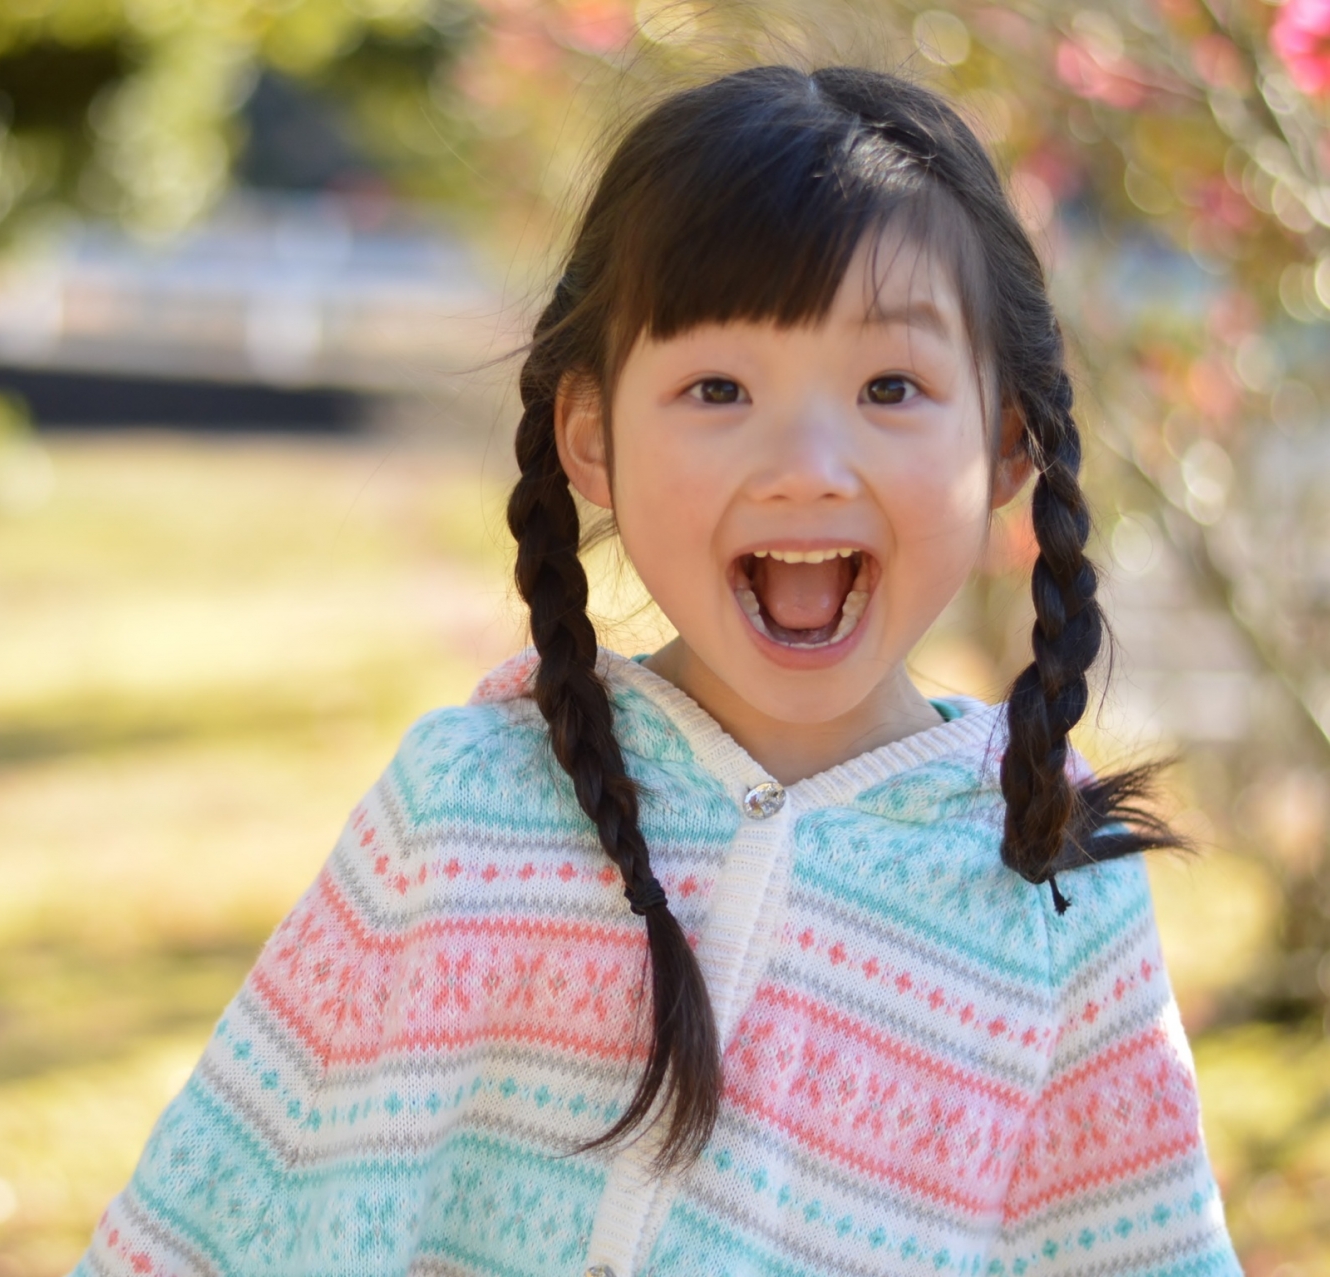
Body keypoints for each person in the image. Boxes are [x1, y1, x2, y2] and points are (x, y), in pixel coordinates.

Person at [71, 65, 1240, 1276]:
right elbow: (214, 1222)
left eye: (890, 386)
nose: (807, 465)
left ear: (1005, 446)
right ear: (591, 438)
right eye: (717, 387)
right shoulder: (465, 813)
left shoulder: (1048, 890)